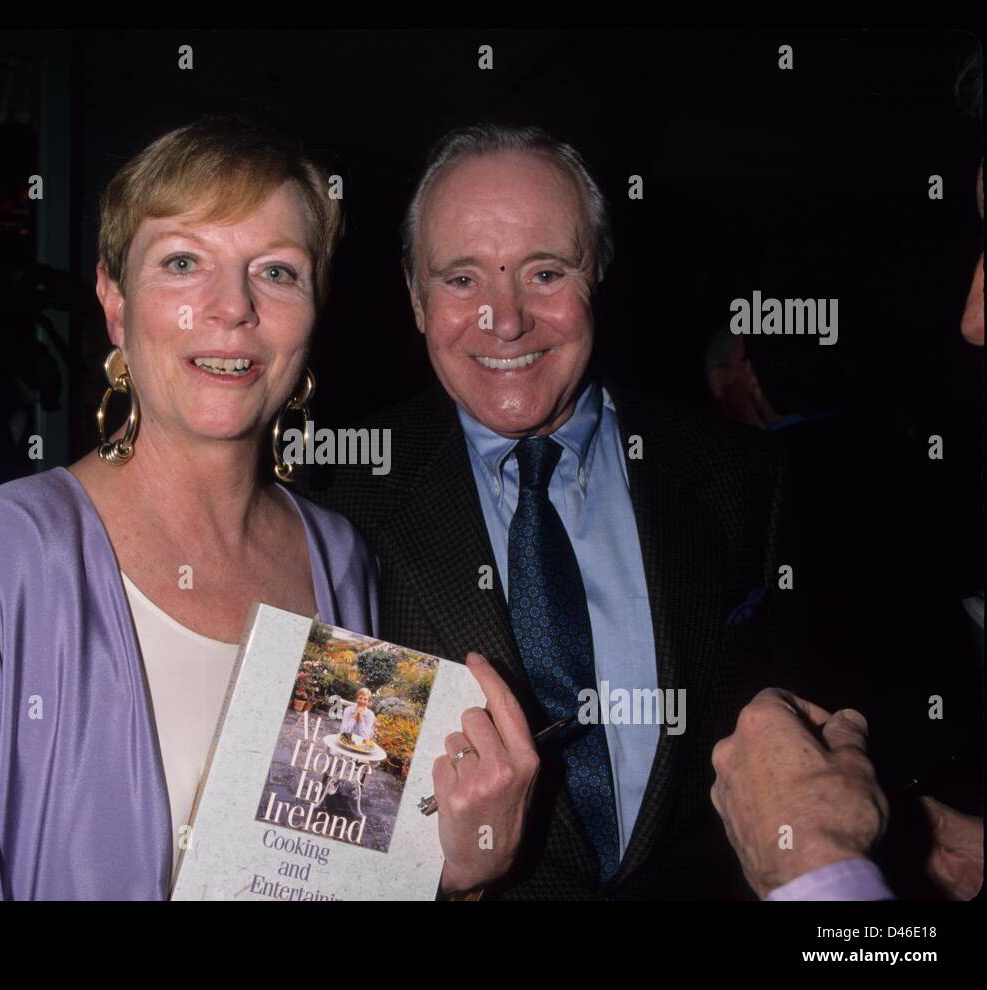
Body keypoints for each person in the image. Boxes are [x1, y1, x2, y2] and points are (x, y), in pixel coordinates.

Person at [0, 116, 531, 900]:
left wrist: (454, 869)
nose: (230, 310)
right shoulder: (5, 557)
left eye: (276, 272)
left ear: (314, 312)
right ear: (114, 301)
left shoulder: (341, 558)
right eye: (183, 262)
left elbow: (329, 872)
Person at [305, 123, 785, 899]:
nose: (506, 319)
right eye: (462, 279)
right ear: (414, 296)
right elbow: (334, 835)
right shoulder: (334, 500)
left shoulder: (740, 474)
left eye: (546, 273)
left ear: (601, 271)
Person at [711, 52, 984, 901]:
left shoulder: (764, 488)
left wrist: (819, 864)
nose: (974, 322)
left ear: (746, 375)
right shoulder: (906, 455)